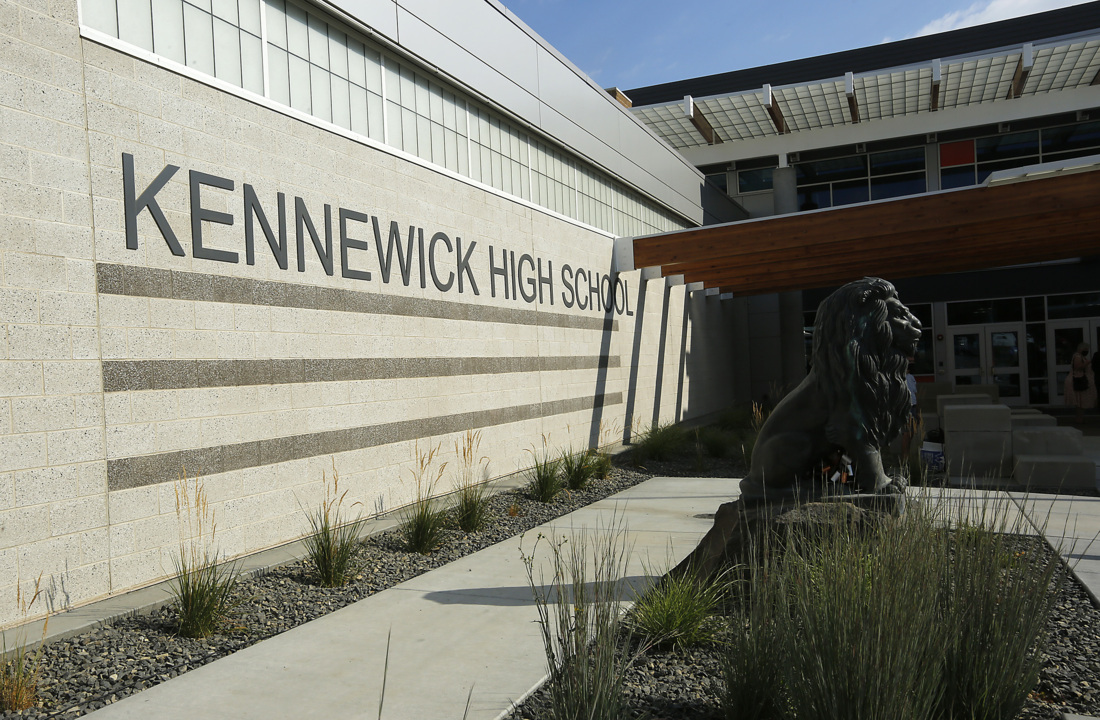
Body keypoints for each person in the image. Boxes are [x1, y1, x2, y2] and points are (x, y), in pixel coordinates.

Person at [1064, 342, 1095, 421]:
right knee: (1080, 401)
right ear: (1081, 349)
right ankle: (1079, 419)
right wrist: (1087, 363)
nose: (1087, 351)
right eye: (1086, 349)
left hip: (1081, 380)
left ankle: (1080, 418)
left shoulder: (1081, 356)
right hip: (1079, 381)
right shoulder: (1077, 356)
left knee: (1081, 402)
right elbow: (1078, 367)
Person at [901, 357, 920, 459]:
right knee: (907, 433)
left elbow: (915, 394)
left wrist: (917, 409)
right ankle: (905, 456)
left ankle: (906, 454)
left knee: (911, 432)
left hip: (912, 406)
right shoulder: (902, 378)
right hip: (906, 407)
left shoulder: (910, 378)